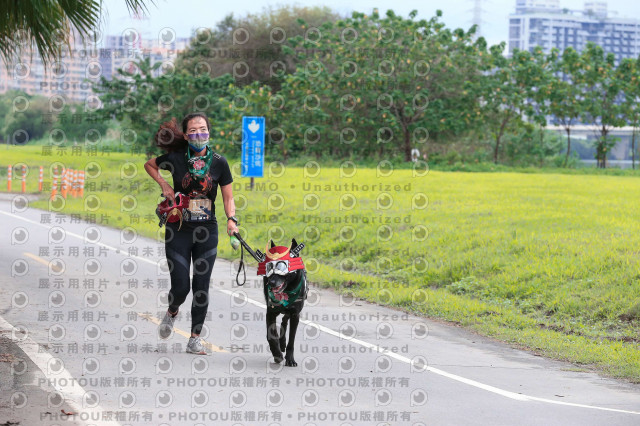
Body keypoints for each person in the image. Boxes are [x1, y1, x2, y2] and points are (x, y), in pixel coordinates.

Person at [144, 113, 239, 355]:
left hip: (207, 230)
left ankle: (194, 338)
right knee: (180, 287)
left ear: (209, 132)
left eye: (203, 129)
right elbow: (150, 164)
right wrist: (165, 185)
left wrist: (231, 220)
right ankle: (172, 311)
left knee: (201, 286)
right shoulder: (176, 158)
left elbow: (228, 197)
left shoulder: (219, 162)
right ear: (186, 135)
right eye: (194, 130)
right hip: (178, 230)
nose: (199, 134)